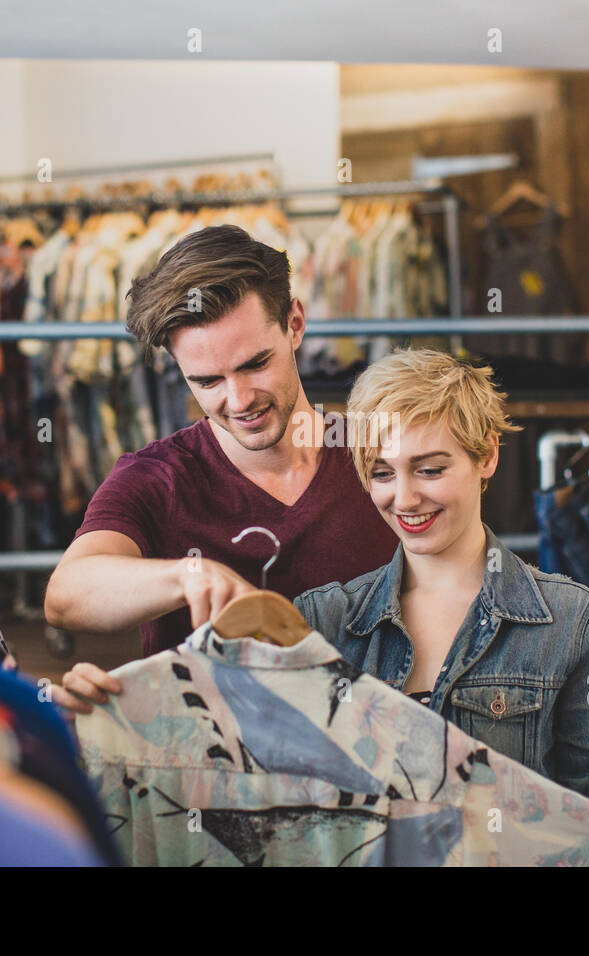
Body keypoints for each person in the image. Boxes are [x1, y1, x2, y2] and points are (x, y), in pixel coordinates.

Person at [291, 349, 589, 867]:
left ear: (487, 456)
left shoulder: (571, 620)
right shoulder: (323, 622)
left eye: (429, 469)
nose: (404, 498)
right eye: (382, 473)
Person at [45, 224, 396, 700]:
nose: (239, 399)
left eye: (255, 364)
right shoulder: (154, 480)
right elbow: (67, 595)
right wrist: (189, 575)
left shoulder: (382, 454)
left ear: (294, 324)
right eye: (208, 381)